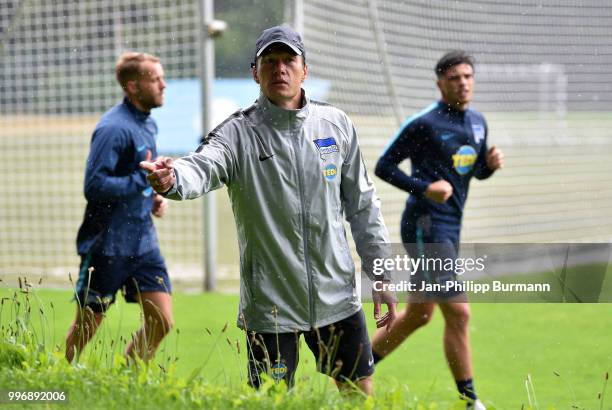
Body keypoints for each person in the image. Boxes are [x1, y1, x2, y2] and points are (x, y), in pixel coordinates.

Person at [141, 25, 396, 394]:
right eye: (270, 61)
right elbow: (202, 166)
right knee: (271, 400)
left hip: (336, 295)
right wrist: (171, 179)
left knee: (359, 391)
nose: (280, 69)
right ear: (254, 72)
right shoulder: (237, 134)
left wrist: (381, 274)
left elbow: (363, 206)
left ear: (304, 69)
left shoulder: (336, 125)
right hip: (270, 305)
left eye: (289, 60)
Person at [371, 50, 504, 409]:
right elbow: (384, 167)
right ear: (440, 83)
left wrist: (487, 168)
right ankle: (470, 401)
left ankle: (353, 367)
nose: (463, 82)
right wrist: (424, 188)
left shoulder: (477, 122)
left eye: (468, 76)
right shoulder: (424, 123)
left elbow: (468, 172)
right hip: (425, 225)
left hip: (450, 227)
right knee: (459, 312)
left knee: (419, 315)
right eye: (454, 77)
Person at [65, 52, 173, 363]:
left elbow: (137, 175)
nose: (163, 85)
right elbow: (95, 186)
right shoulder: (113, 128)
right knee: (86, 328)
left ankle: (128, 378)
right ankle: (56, 380)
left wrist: (152, 195)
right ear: (133, 86)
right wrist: (140, 181)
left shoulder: (147, 124)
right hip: (107, 246)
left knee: (162, 322)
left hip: (143, 243)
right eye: (155, 79)